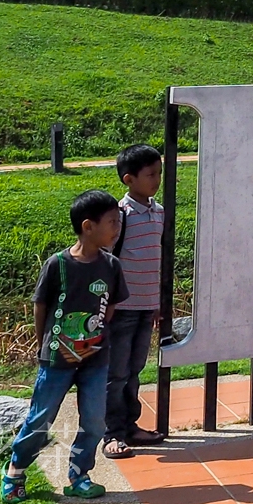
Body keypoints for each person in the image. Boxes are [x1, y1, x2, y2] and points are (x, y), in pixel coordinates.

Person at [2, 189, 128, 503]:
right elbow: (40, 306)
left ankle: (79, 476)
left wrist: (96, 334)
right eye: (112, 222)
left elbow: (109, 306)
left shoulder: (111, 266)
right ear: (88, 226)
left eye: (119, 222)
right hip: (56, 359)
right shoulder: (57, 264)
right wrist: (42, 343)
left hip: (96, 360)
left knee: (94, 420)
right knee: (41, 417)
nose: (117, 228)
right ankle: (15, 470)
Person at [104, 145, 166, 458]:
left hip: (146, 306)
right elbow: (106, 259)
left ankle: (130, 426)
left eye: (159, 172)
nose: (157, 179)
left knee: (134, 370)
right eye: (150, 174)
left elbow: (156, 259)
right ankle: (112, 433)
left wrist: (157, 303)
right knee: (116, 374)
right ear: (129, 179)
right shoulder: (119, 216)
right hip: (122, 308)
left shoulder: (159, 211)